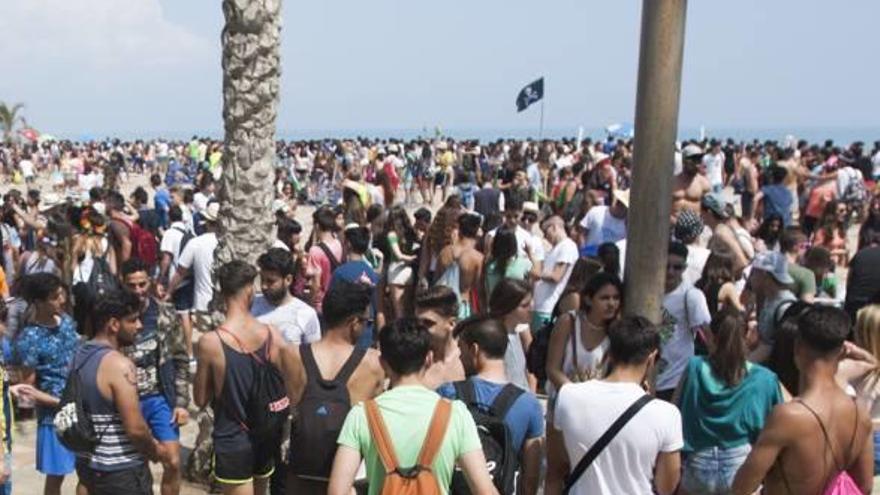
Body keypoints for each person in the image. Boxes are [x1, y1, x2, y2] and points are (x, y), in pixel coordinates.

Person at [328, 318, 498, 495]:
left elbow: (337, 492)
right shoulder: (455, 414)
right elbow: (485, 491)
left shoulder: (362, 415)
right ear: (429, 358)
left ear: (383, 363)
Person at [732, 306, 873, 495]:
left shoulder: (788, 416)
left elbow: (742, 487)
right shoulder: (860, 413)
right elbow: (864, 486)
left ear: (798, 347)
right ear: (841, 351)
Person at [547, 316, 682, 495]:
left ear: (609, 354)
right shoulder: (666, 414)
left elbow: (556, 468)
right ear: (651, 358)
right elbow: (667, 486)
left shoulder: (568, 396)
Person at [281, 280, 385, 494]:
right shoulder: (374, 364)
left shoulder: (291, 355)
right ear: (354, 322)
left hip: (299, 474)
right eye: (367, 322)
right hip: (347, 479)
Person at [193, 260, 288, 494]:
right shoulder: (271, 334)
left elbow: (200, 398)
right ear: (249, 290)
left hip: (232, 438)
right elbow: (290, 380)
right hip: (265, 435)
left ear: (223, 292)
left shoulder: (211, 343)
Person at [69, 291, 171, 495]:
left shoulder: (78, 355)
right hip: (122, 472)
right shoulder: (120, 365)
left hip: (88, 467)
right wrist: (156, 451)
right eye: (133, 320)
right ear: (114, 324)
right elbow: (135, 429)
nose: (139, 326)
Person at [674, 308, 784, 494]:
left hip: (697, 464)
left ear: (712, 335)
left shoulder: (694, 367)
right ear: (748, 336)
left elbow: (674, 410)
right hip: (741, 467)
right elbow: (778, 427)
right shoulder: (765, 379)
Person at [438, 316, 545, 495]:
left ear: (474, 349)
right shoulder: (529, 404)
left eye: (461, 349)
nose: (459, 356)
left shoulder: (448, 393)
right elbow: (530, 481)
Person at [120, 259, 191, 495]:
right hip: (127, 401)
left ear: (150, 282)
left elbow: (181, 360)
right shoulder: (114, 317)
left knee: (172, 460)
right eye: (132, 286)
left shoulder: (165, 314)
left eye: (142, 284)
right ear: (123, 284)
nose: (138, 291)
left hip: (159, 398)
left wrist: (181, 403)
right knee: (135, 467)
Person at [10, 274, 78, 495]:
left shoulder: (66, 321)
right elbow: (26, 393)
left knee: (88, 471)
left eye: (62, 294)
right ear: (39, 302)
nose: (62, 300)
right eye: (55, 297)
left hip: (80, 405)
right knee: (57, 476)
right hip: (54, 416)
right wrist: (58, 401)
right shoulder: (29, 339)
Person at [546, 272, 622, 393]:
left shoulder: (617, 331)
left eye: (616, 298)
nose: (611, 304)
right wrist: (574, 394)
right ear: (588, 299)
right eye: (605, 298)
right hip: (564, 399)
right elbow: (552, 369)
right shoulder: (569, 322)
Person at [656, 242, 712, 401]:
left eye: (677, 267)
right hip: (648, 376)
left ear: (685, 268)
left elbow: (707, 335)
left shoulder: (691, 296)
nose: (670, 272)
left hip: (677, 380)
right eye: (667, 266)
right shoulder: (647, 290)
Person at [251, 248, 320, 345]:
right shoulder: (251, 306)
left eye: (271, 281)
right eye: (262, 279)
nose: (264, 286)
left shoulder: (306, 314)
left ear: (288, 280)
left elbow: (313, 354)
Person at [330, 225, 382, 347]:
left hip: (344, 334)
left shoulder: (340, 273)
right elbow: (379, 309)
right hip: (367, 332)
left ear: (348, 244)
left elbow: (332, 303)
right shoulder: (373, 274)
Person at [167, 202, 219, 319]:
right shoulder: (228, 243)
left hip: (203, 304)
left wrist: (169, 292)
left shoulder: (195, 243)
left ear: (206, 221)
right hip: (225, 305)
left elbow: (180, 272)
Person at [532, 216, 579, 335]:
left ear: (553, 227)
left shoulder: (567, 246)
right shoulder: (556, 248)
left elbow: (556, 276)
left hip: (548, 307)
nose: (545, 236)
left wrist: (536, 273)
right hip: (540, 306)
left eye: (545, 231)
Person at [748, 251, 798, 364]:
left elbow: (769, 347)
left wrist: (744, 367)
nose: (751, 278)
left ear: (765, 275)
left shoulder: (784, 307)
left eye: (754, 273)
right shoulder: (769, 300)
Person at [487, 279, 536, 391]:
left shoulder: (515, 333)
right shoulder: (496, 340)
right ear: (508, 308)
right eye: (524, 306)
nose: (531, 309)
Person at [415, 285, 466, 390]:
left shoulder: (467, 361)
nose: (420, 329)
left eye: (428, 323)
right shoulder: (412, 361)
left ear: (451, 324)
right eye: (417, 323)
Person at [436, 212, 484, 318]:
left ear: (460, 230)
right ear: (477, 231)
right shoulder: (477, 258)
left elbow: (437, 279)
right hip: (462, 306)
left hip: (442, 305)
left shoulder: (444, 252)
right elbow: (479, 289)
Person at [306, 206, 344, 314]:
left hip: (320, 303)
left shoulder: (315, 251)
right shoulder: (338, 243)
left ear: (317, 226)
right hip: (335, 298)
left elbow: (316, 283)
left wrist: (310, 302)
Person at [578, 189, 628, 256]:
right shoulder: (596, 211)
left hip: (611, 262)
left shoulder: (627, 226)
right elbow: (582, 233)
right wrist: (583, 251)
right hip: (590, 256)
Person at [672, 144, 711, 218]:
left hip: (694, 227)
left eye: (699, 160)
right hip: (672, 226)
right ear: (684, 160)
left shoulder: (703, 183)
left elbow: (709, 211)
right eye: (694, 160)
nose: (697, 164)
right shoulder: (672, 182)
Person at [779, 228, 816, 303]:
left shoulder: (765, 268)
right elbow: (807, 305)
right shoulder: (806, 275)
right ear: (797, 247)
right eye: (806, 246)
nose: (807, 250)